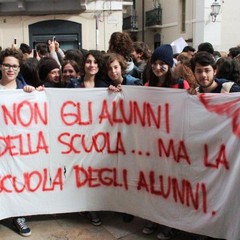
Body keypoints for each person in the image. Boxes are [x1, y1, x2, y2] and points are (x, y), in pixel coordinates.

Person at [142, 44, 190, 240]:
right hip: (152, 146)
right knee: (153, 185)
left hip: (173, 146)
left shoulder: (181, 86)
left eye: (163, 64)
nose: (158, 67)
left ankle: (168, 224)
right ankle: (153, 218)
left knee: (170, 186)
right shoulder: (146, 87)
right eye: (155, 63)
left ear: (170, 65)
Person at [0, 47, 36, 237]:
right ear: (1, 66)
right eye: (7, 65)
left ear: (19, 69)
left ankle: (18, 216)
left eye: (14, 66)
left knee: (17, 181)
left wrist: (32, 94)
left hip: (18, 148)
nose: (10, 69)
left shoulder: (25, 90)